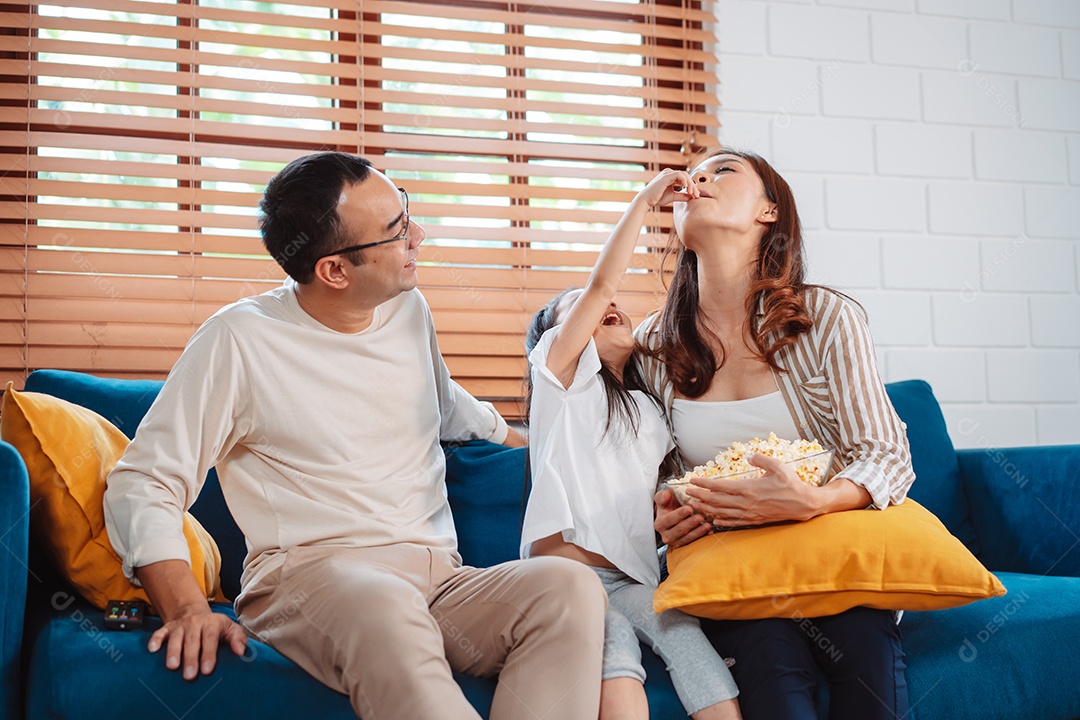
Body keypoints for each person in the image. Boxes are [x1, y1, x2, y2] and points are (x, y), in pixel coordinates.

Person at [103, 151, 608, 720]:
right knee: (384, 602)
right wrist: (185, 607)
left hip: (439, 579)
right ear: (335, 271)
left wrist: (546, 447)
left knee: (568, 589)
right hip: (310, 580)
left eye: (407, 213)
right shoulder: (237, 340)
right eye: (396, 231)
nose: (419, 234)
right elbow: (144, 481)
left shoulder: (407, 309)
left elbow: (445, 406)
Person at [637, 147, 916, 720]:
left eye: (723, 170)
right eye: (694, 176)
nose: (700, 179)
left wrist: (813, 500)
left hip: (832, 557)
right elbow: (649, 475)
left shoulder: (827, 319)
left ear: (769, 211)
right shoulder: (654, 347)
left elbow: (886, 454)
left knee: (866, 655)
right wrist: (660, 515)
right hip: (733, 570)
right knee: (769, 660)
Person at [521, 169, 743, 720]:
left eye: (616, 308)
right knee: (614, 648)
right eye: (582, 313)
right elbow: (600, 287)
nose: (606, 307)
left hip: (633, 577)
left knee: (689, 641)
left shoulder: (649, 408)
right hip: (566, 576)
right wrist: (646, 202)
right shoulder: (562, 381)